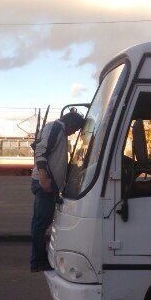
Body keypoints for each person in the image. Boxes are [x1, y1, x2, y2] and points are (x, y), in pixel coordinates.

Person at [30, 110, 85, 272]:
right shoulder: (55, 127)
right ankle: (38, 261)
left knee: (39, 224)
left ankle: (38, 260)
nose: (73, 133)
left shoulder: (58, 130)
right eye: (74, 130)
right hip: (44, 184)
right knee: (40, 225)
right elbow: (41, 151)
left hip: (47, 185)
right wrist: (44, 179)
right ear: (70, 124)